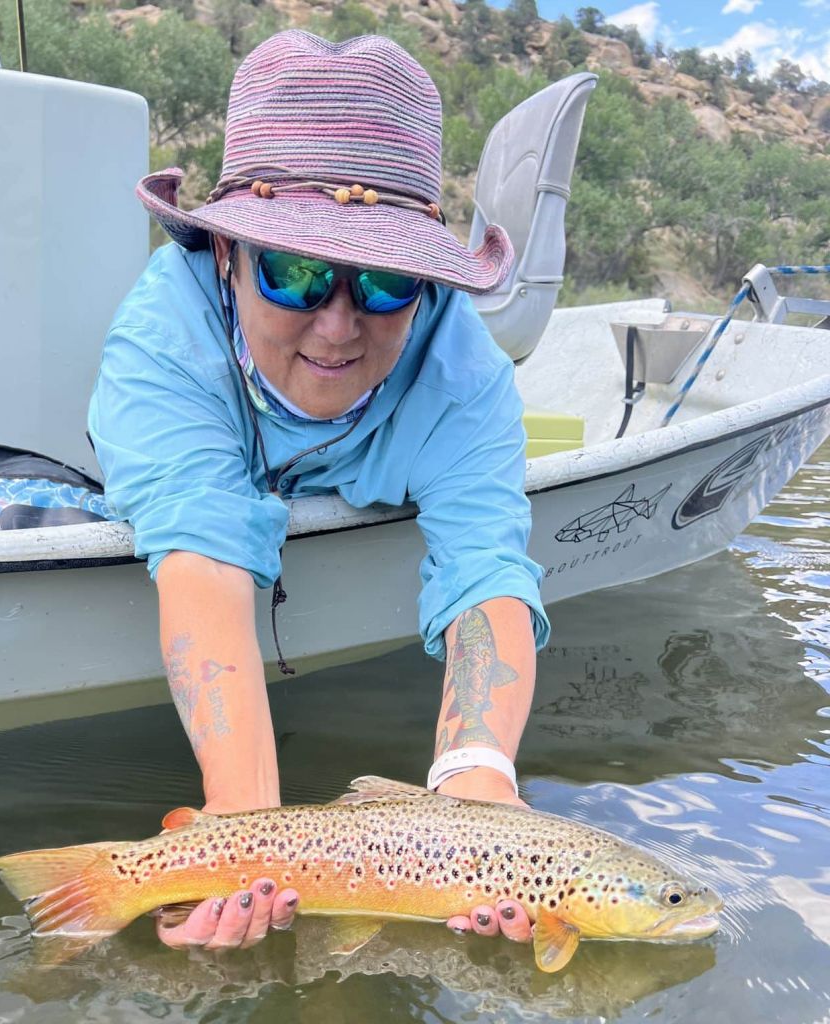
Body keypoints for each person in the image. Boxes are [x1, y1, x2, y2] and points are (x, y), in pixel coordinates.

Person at [88, 30, 549, 952]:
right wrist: (238, 826)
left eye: (385, 281)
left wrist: (476, 773)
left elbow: (484, 565)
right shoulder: (161, 344)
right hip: (198, 488)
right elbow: (204, 553)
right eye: (295, 271)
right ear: (225, 255)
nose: (338, 326)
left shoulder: (465, 371)